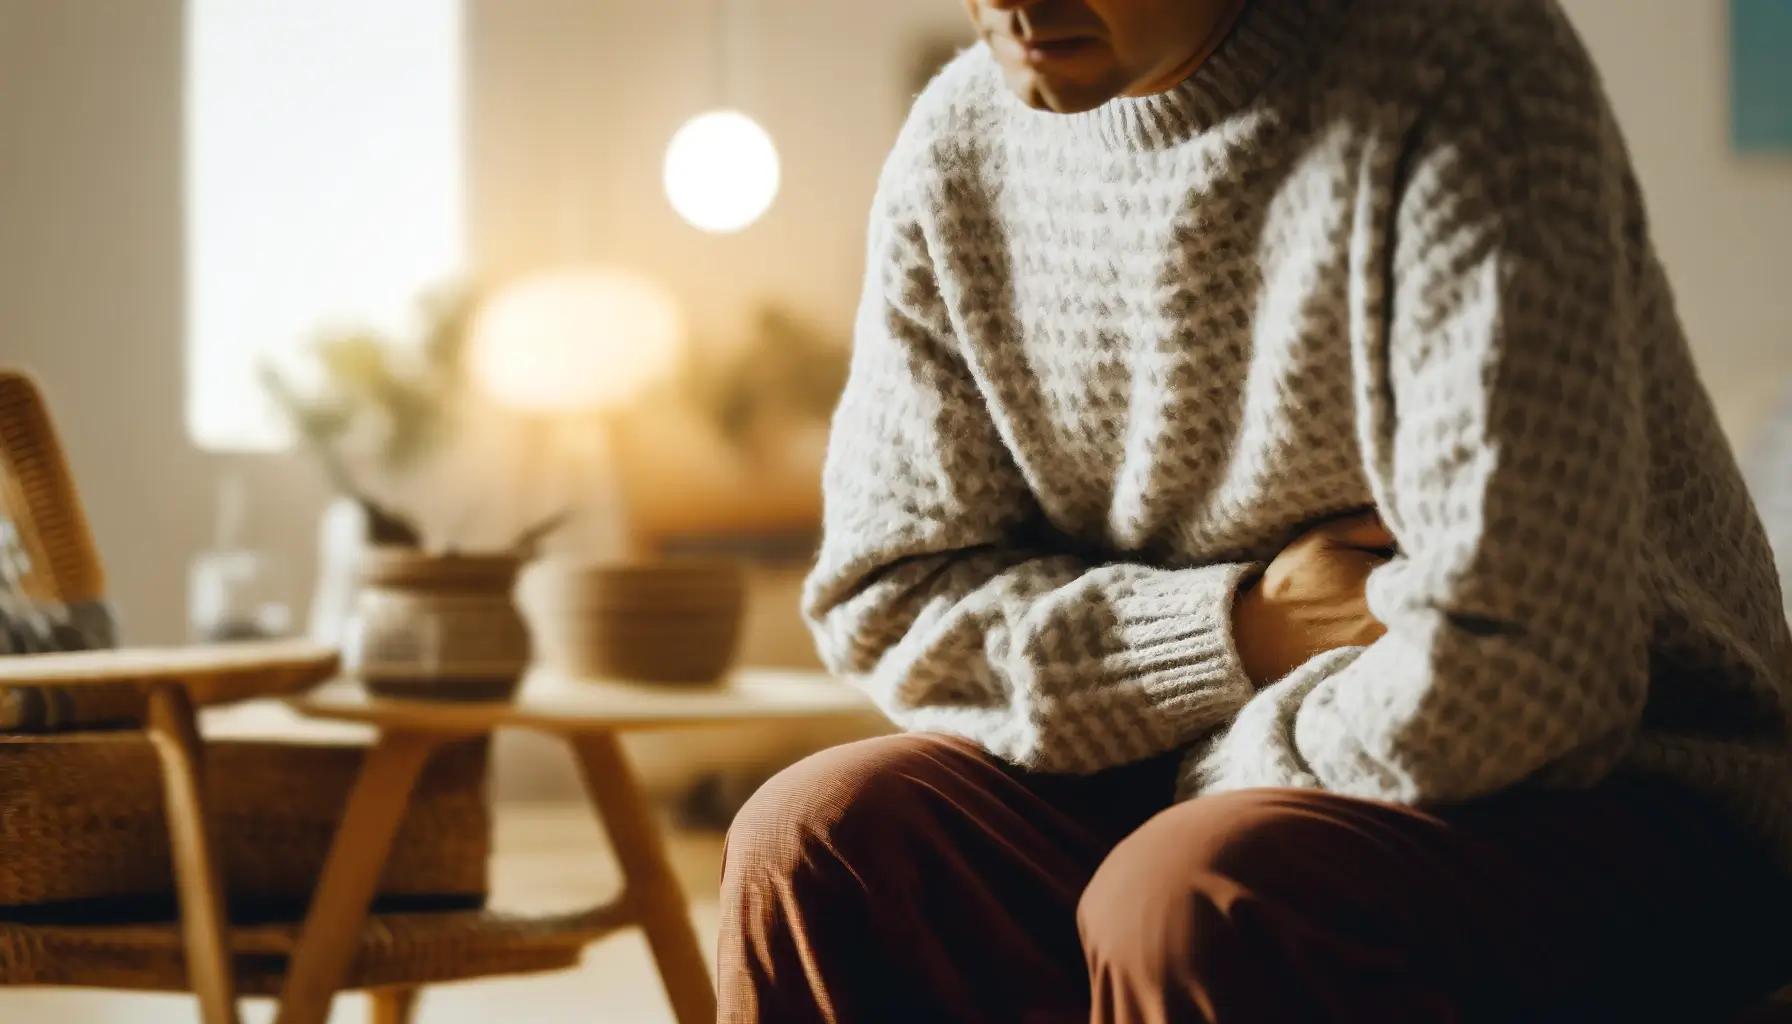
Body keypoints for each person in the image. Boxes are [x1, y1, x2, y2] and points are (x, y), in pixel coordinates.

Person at [719, 0, 1792, 1020]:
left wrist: (1180, 783)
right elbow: (890, 598)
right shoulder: (956, 145)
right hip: (1213, 775)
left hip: (1634, 796)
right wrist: (1234, 632)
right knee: (819, 836)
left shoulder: (1460, 67)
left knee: (1190, 898)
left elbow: (1527, 673)